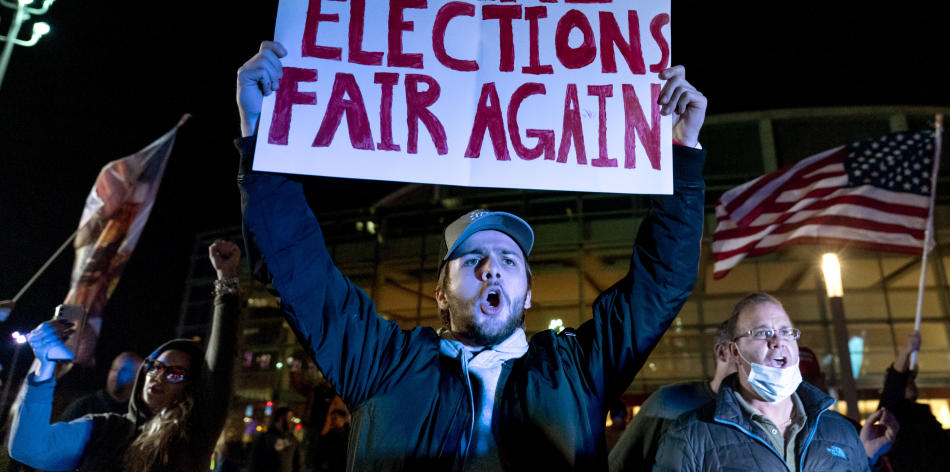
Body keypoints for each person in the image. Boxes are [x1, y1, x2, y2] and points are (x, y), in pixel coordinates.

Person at [235, 41, 708, 470]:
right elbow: (298, 269)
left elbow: (661, 282)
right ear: (440, 294)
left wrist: (683, 154)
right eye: (471, 259)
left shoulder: (578, 369)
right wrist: (260, 133)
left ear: (526, 296)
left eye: (508, 260)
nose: (490, 267)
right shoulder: (384, 364)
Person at [7, 239, 241, 472]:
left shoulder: (193, 435)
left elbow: (221, 363)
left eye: (175, 375)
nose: (158, 377)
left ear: (192, 388)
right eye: (155, 367)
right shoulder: (104, 426)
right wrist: (45, 364)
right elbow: (28, 448)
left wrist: (226, 281)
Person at [653, 292, 877, 471]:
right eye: (762, 333)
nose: (778, 341)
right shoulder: (690, 436)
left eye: (786, 331)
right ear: (735, 352)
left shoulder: (842, 432)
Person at [608, 318, 737, 472]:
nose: (772, 348)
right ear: (723, 352)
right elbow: (619, 466)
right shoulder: (668, 403)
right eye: (759, 337)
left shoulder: (766, 417)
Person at [878, 330, 950, 471]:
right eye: (908, 381)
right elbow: (894, 382)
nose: (912, 384)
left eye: (912, 380)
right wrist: (906, 352)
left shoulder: (922, 413)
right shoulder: (892, 411)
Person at [60, 351, 144, 420]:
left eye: (125, 371)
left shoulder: (137, 415)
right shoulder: (83, 407)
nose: (116, 374)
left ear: (137, 378)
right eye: (114, 369)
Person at [249, 405, 300, 472]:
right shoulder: (265, 439)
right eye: (289, 417)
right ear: (281, 418)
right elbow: (254, 462)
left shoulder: (292, 440)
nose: (291, 421)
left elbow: (297, 463)